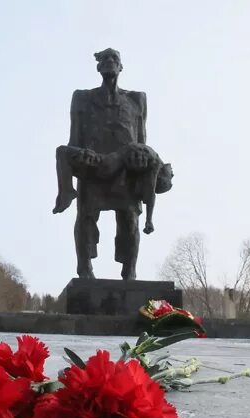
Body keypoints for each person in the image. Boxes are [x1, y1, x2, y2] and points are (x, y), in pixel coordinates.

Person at [53, 48, 172, 280]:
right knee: (86, 216)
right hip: (94, 168)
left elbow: (141, 142)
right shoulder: (82, 98)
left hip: (126, 173)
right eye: (105, 59)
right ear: (98, 67)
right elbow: (73, 139)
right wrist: (80, 155)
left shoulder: (137, 99)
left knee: (129, 221)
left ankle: (129, 272)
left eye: (114, 58)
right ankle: (84, 269)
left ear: (121, 67)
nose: (109, 62)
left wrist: (143, 168)